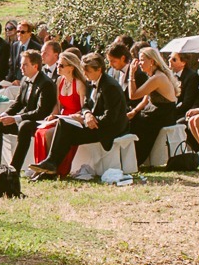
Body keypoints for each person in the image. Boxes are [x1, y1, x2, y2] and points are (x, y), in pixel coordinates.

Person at [28, 51, 129, 180]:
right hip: (95, 122)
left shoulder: (110, 86)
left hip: (108, 128)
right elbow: (86, 104)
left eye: (88, 71)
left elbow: (111, 118)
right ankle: (51, 164)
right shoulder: (91, 81)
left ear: (99, 70)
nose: (85, 74)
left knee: (66, 131)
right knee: (63, 124)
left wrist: (87, 121)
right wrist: (86, 114)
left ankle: (51, 166)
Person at [0, 49, 55, 171]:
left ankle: (14, 168)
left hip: (40, 121)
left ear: (35, 66)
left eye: (25, 64)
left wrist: (16, 118)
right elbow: (18, 104)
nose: (21, 67)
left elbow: (41, 112)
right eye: (21, 64)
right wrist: (3, 115)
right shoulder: (25, 80)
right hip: (24, 118)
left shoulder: (46, 84)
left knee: (24, 126)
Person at [127, 47, 182, 166]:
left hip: (164, 113)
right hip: (156, 110)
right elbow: (146, 99)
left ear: (151, 61)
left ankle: (135, 160)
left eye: (142, 60)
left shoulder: (158, 77)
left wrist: (131, 74)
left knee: (138, 125)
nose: (139, 63)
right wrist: (135, 111)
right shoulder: (153, 75)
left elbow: (133, 95)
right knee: (133, 119)